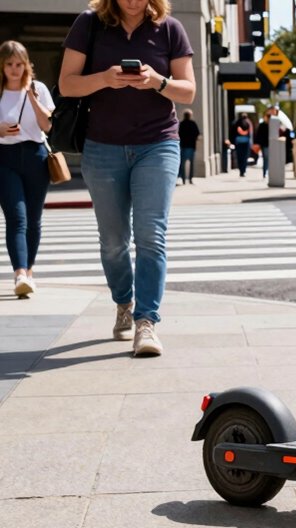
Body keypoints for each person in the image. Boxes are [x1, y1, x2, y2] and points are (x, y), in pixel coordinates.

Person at [59, 0, 195, 356]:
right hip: (102, 147)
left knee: (152, 234)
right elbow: (67, 85)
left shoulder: (169, 28)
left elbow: (188, 91)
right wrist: (104, 78)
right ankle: (124, 303)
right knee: (114, 240)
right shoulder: (90, 24)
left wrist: (157, 81)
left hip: (158, 144)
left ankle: (146, 322)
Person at [0, 40, 54, 298]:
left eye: (19, 64)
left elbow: (47, 126)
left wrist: (31, 95)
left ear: (26, 64)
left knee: (33, 220)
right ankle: (20, 272)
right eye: (9, 64)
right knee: (17, 217)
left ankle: (29, 274)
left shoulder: (39, 88)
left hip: (36, 157)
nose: (14, 69)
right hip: (4, 158)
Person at [177, 108, 199, 184]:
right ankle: (190, 179)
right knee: (191, 163)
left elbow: (178, 134)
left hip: (183, 146)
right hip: (191, 146)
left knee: (182, 163)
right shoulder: (193, 124)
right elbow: (197, 133)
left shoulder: (181, 124)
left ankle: (183, 179)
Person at [231, 112, 252, 176]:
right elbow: (250, 133)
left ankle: (241, 170)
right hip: (246, 141)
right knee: (245, 157)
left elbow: (233, 132)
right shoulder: (248, 123)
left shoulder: (236, 123)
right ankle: (244, 170)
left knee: (239, 156)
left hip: (238, 141)